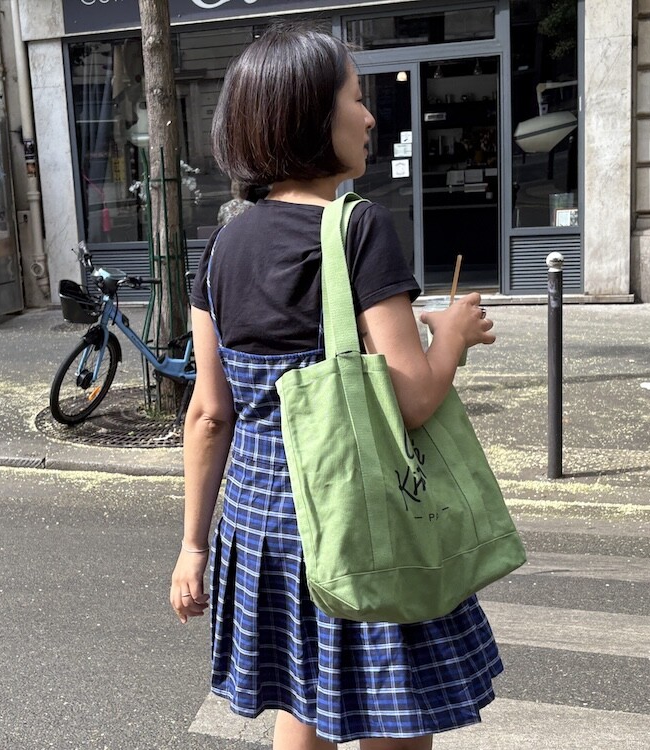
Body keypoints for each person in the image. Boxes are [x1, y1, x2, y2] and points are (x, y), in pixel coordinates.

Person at [170, 24, 498, 750]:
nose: (370, 116)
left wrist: (193, 547)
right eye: (355, 97)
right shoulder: (357, 230)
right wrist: (451, 336)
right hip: (357, 519)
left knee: (306, 696)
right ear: (310, 116)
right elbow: (412, 400)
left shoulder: (220, 247)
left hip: (260, 526)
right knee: (393, 710)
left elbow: (209, 414)